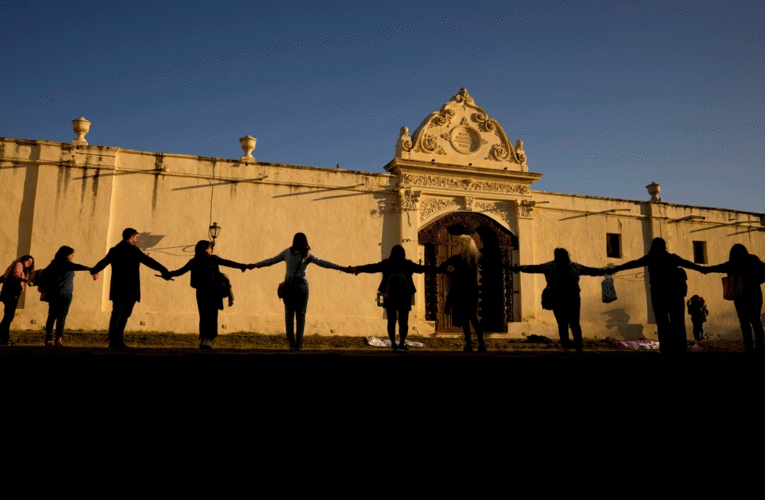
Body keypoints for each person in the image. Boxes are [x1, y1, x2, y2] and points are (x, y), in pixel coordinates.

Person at [253, 233, 353, 351]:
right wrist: (340, 268)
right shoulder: (307, 254)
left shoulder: (287, 252)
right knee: (301, 316)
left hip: (289, 287)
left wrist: (255, 265)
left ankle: (291, 344)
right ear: (305, 241)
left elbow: (271, 261)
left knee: (289, 316)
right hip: (302, 287)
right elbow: (323, 263)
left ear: (294, 241)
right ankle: (299, 345)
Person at [611, 237, 703, 354]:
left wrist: (616, 268)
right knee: (678, 323)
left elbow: (633, 263)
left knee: (662, 323)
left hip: (659, 295)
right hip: (675, 295)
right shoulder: (672, 258)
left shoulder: (651, 258)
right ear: (664, 246)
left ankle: (665, 348)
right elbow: (689, 264)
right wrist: (703, 269)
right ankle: (681, 348)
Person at [510, 248, 607, 353]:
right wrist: (606, 271)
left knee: (562, 324)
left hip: (557, 298)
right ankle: (578, 347)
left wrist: (519, 268)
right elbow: (592, 271)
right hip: (572, 298)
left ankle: (566, 347)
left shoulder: (550, 266)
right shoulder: (574, 266)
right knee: (574, 323)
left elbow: (533, 268)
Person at [90, 228, 170, 348]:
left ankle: (113, 340)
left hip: (117, 287)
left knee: (116, 312)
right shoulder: (133, 250)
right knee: (124, 314)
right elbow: (148, 261)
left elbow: (103, 262)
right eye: (136, 237)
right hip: (129, 288)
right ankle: (117, 340)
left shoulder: (114, 250)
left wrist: (94, 271)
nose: (136, 240)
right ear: (131, 237)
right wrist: (163, 269)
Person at [166, 240, 252, 349]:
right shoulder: (213, 259)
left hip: (201, 292)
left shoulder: (194, 260)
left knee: (203, 315)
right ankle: (207, 340)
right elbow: (228, 262)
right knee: (211, 316)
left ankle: (203, 339)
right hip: (212, 291)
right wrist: (243, 266)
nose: (211, 249)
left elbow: (180, 271)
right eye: (210, 247)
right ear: (206, 248)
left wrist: (168, 274)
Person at [354, 245, 439, 352]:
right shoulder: (408, 264)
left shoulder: (386, 264)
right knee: (403, 321)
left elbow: (372, 268)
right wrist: (441, 269)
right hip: (404, 295)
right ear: (403, 254)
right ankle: (402, 344)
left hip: (390, 295)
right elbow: (423, 269)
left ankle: (394, 344)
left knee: (391, 321)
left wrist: (358, 269)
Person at [701, 244, 765, 352]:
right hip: (755, 294)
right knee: (756, 321)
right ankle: (760, 346)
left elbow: (716, 268)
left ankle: (748, 346)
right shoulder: (753, 260)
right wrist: (756, 281)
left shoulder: (733, 263)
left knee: (744, 323)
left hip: (739, 296)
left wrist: (701, 269)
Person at [39, 246, 99, 347]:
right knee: (60, 317)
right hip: (62, 293)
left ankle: (51, 339)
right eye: (71, 254)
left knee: (53, 316)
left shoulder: (53, 264)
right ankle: (57, 339)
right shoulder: (63, 262)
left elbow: (44, 275)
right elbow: (76, 266)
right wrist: (90, 269)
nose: (72, 256)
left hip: (58, 293)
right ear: (65, 254)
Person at [437, 235, 487, 352]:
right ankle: (481, 343)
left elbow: (441, 268)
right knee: (473, 317)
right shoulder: (476, 257)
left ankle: (469, 344)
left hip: (460, 290)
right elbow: (488, 266)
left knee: (465, 318)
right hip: (472, 291)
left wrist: (451, 272)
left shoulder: (456, 258)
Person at [0, 255, 34, 346]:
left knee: (8, 316)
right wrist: (26, 281)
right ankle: (4, 339)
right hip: (12, 292)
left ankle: (3, 338)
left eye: (31, 263)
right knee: (9, 316)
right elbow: (15, 276)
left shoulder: (15, 265)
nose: (29, 264)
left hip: (8, 292)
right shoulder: (19, 264)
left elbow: (4, 277)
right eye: (28, 261)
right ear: (24, 259)